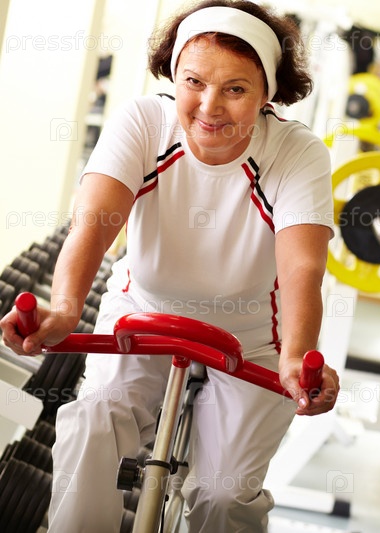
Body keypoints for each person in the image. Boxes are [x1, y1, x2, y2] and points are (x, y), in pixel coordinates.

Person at [0, 0, 340, 531]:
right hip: (143, 315)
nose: (210, 106)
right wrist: (65, 310)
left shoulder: (297, 152)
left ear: (267, 94)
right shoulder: (144, 122)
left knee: (223, 496)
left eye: (235, 89)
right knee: (91, 427)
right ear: (174, 76)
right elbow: (94, 225)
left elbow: (302, 268)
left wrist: (297, 355)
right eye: (194, 82)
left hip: (252, 340)